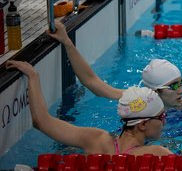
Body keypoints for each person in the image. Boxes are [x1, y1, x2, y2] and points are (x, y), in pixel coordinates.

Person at [46, 20, 182, 131]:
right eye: (175, 85)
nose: (181, 90)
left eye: (181, 83)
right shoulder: (139, 99)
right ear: (156, 91)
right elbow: (91, 81)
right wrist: (67, 42)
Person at [5, 61, 172, 156]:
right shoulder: (158, 154)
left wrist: (33, 76)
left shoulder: (96, 139)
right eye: (161, 118)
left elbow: (41, 121)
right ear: (142, 124)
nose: (164, 122)